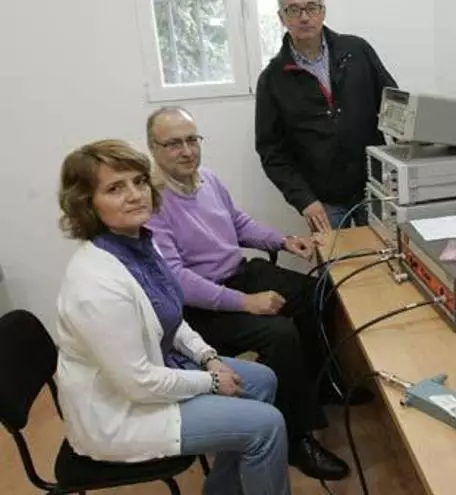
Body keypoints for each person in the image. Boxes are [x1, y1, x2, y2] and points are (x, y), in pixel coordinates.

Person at [54, 139, 291, 495]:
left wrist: (208, 358)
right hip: (124, 414)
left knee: (263, 380)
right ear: (87, 204)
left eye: (139, 181)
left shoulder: (141, 242)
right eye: (115, 188)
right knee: (266, 426)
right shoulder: (96, 284)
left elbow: (171, 316)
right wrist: (211, 382)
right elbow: (138, 384)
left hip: (160, 369)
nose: (135, 195)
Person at [145, 106, 358, 481]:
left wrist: (283, 241)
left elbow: (238, 224)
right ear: (154, 148)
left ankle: (322, 384)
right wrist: (246, 302)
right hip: (201, 307)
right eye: (174, 143)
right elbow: (177, 280)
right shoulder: (152, 203)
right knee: (280, 334)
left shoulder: (208, 179)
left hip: (239, 274)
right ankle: (296, 438)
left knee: (320, 293)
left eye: (192, 140)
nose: (187, 151)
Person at [256, 0, 397, 233]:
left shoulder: (357, 51)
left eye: (312, 7)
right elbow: (271, 152)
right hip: (323, 202)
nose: (304, 17)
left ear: (323, 11)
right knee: (333, 258)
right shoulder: (272, 79)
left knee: (385, 252)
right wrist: (304, 200)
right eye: (294, 10)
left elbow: (393, 105)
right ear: (282, 18)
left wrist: (413, 158)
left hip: (374, 188)